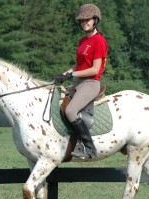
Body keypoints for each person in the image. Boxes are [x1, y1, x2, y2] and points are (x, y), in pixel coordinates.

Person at [54, 4, 108, 159]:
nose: (84, 23)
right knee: (57, 99)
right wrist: (65, 74)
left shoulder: (99, 41)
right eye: (82, 20)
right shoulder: (83, 40)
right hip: (78, 82)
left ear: (95, 20)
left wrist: (73, 75)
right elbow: (79, 64)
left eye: (87, 20)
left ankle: (89, 147)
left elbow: (95, 69)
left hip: (91, 83)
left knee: (71, 110)